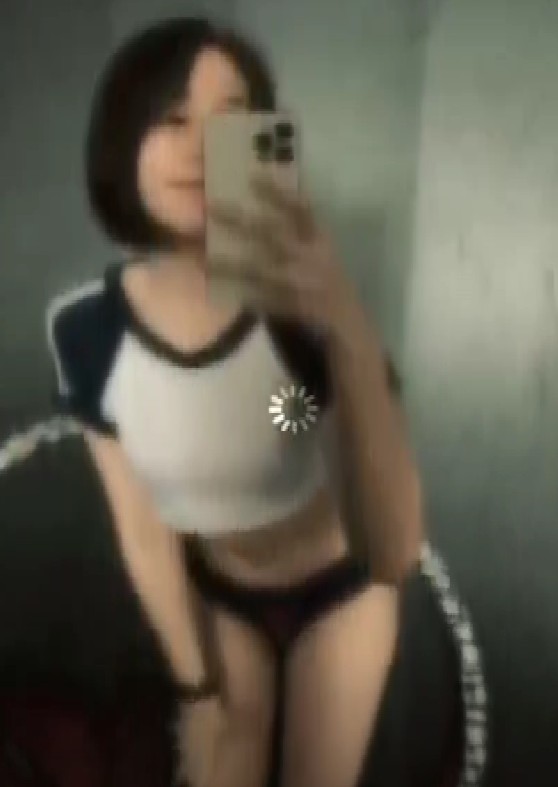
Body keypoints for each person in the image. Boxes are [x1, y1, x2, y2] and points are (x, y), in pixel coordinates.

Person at [45, 17, 424, 787]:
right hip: (220, 601)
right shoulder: (85, 329)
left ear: (263, 144)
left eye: (229, 123)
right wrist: (198, 688)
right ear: (124, 142)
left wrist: (343, 328)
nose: (199, 149)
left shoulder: (300, 312)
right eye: (171, 119)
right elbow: (143, 530)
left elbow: (392, 541)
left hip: (339, 593)